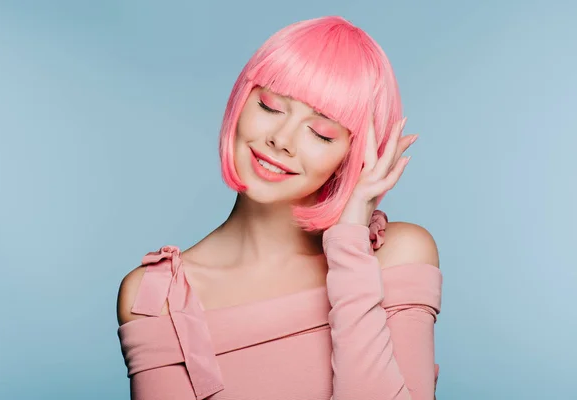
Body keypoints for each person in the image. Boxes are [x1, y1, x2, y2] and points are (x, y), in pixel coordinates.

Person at [116, 15, 442, 400]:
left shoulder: (395, 257)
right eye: (271, 106)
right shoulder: (157, 297)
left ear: (354, 155)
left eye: (321, 132)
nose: (282, 140)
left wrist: (350, 246)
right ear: (240, 102)